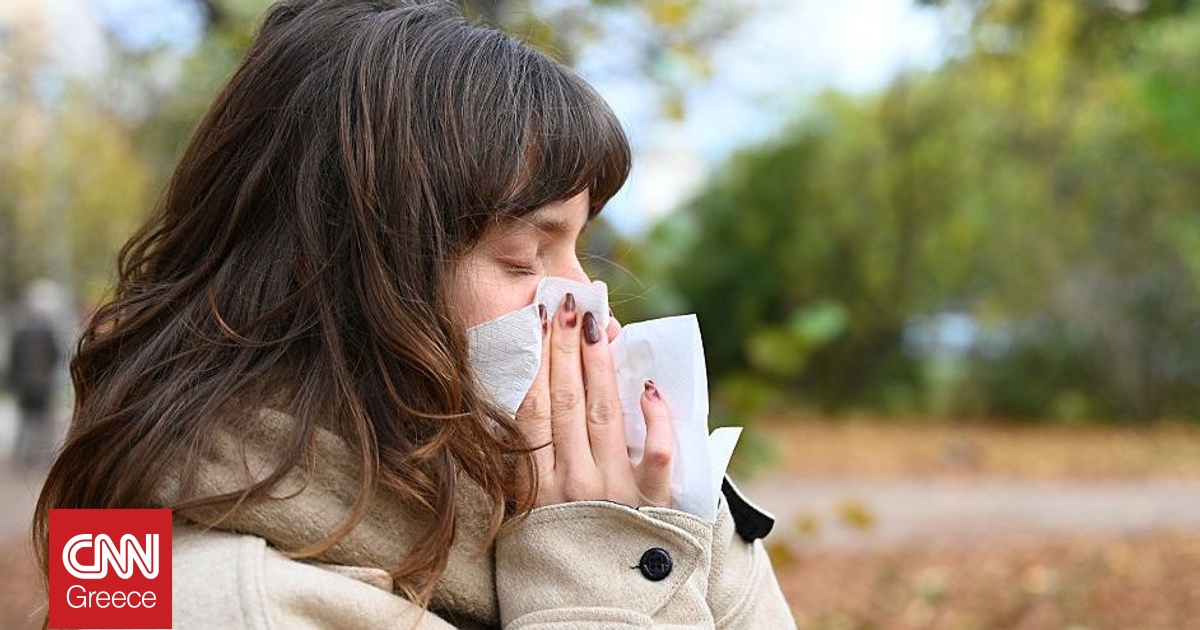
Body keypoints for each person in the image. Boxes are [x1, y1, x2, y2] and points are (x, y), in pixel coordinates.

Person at [33, 1, 796, 627]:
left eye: (579, 253)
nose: (587, 305)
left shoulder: (617, 498)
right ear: (340, 272)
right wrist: (595, 579)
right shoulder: (155, 596)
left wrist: (674, 532)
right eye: (528, 257)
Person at [8, 282, 61, 469]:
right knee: (45, 422)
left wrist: (14, 381)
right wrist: (47, 372)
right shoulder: (48, 330)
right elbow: (56, 354)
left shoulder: (19, 331)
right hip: (43, 382)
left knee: (25, 421)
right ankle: (46, 457)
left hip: (24, 384)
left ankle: (22, 458)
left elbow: (13, 359)